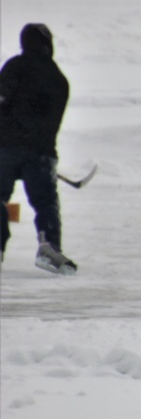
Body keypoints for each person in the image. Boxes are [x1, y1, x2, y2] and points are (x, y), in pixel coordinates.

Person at [0, 23, 77, 275]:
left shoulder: (14, 67)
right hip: (41, 153)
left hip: (6, 149)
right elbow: (51, 121)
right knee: (45, 203)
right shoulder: (58, 79)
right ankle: (49, 247)